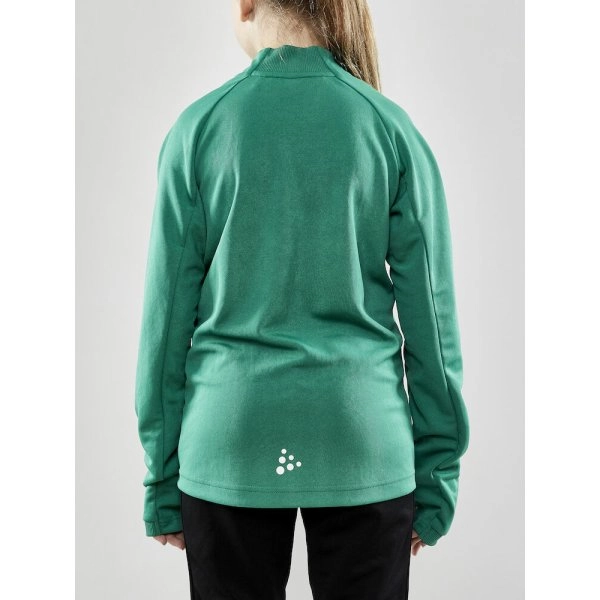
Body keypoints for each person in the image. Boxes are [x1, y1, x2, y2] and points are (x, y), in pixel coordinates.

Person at [134, 0, 470, 598]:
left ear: (246, 3)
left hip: (230, 441)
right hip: (361, 443)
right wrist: (437, 477)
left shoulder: (199, 129)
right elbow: (434, 328)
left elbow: (164, 330)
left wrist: (162, 479)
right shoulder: (389, 129)